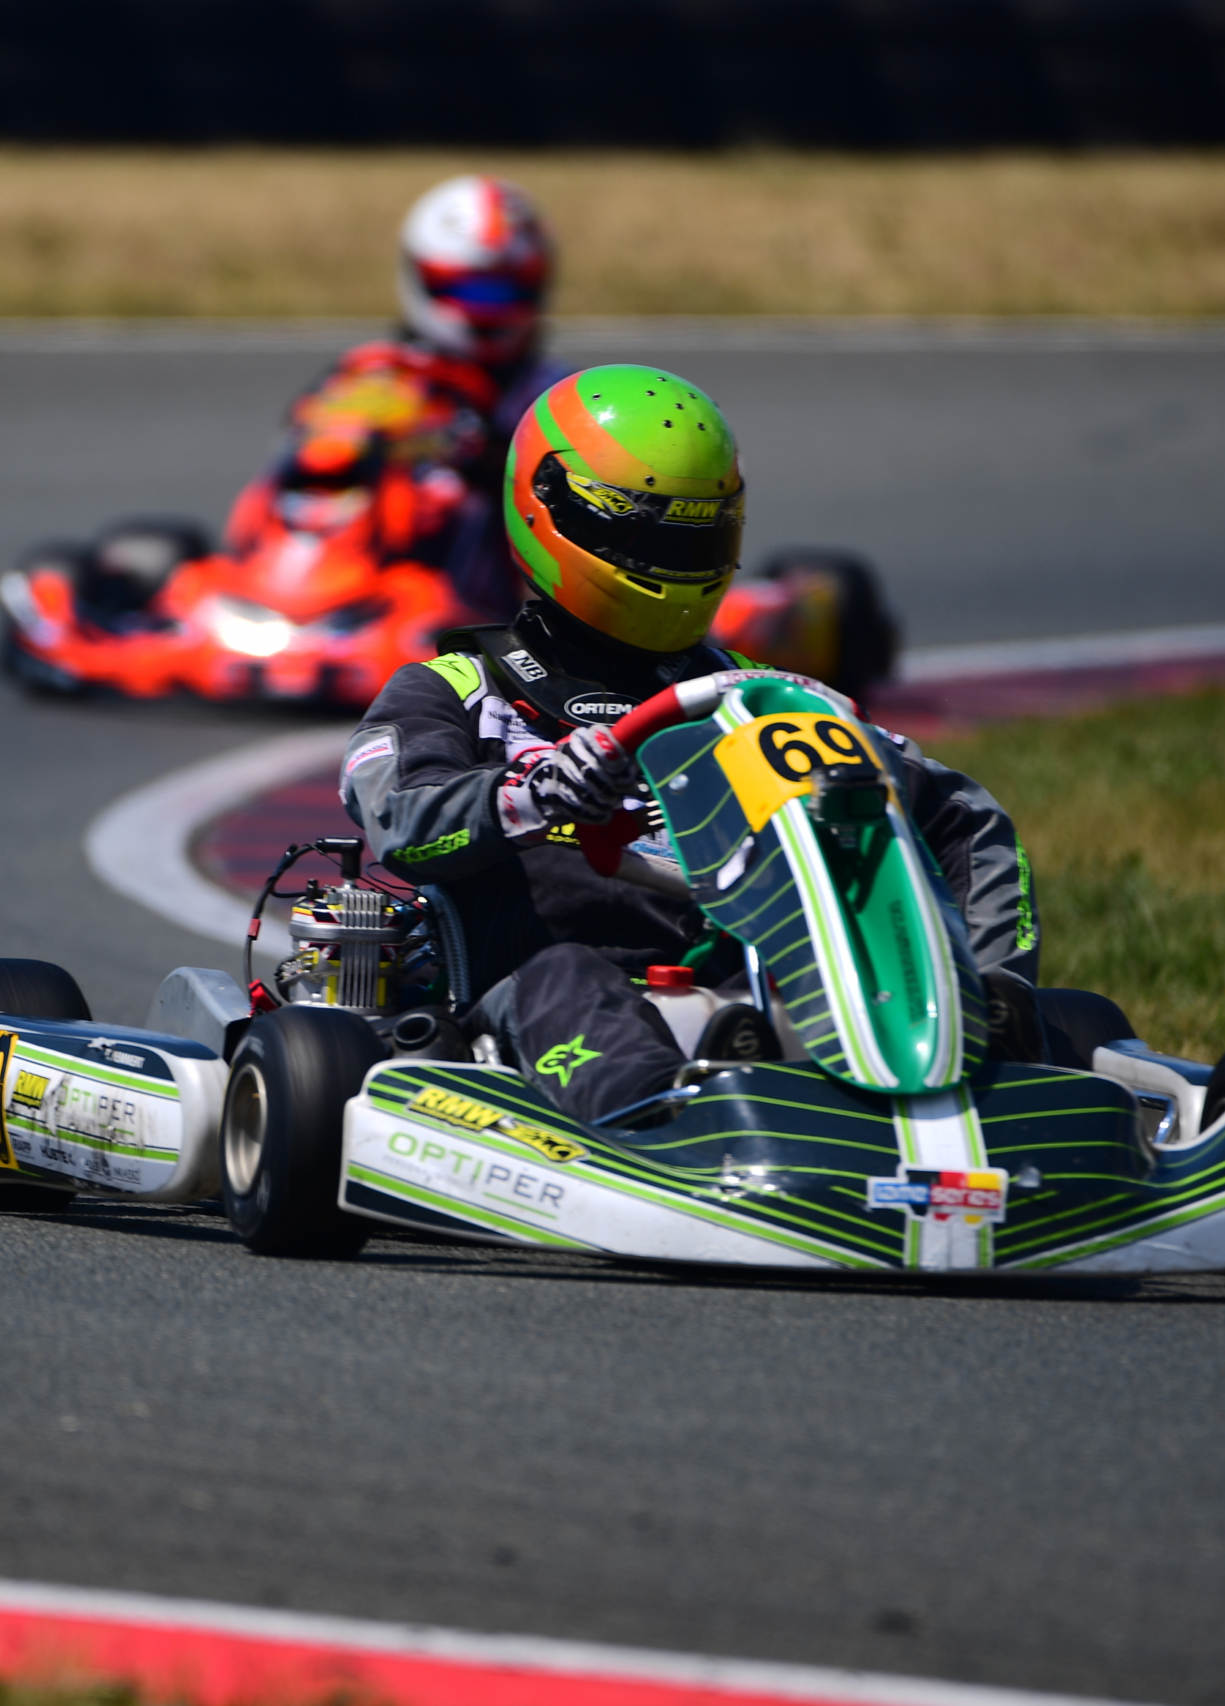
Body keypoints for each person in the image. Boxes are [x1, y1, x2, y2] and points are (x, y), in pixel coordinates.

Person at [338, 364, 1044, 1124]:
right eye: (642, 535)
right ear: (549, 510)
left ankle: (963, 1073)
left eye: (696, 536)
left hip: (748, 989)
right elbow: (399, 821)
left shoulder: (758, 699)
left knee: (958, 992)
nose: (671, 561)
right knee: (568, 980)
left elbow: (962, 819)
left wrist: (988, 980)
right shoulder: (456, 689)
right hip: (534, 1001)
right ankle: (667, 1122)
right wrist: (528, 795)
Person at [219, 173, 570, 621]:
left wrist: (484, 459)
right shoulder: (371, 371)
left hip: (469, 599)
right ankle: (272, 586)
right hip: (362, 566)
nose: (486, 309)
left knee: (449, 494)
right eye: (466, 290)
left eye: (505, 292)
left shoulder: (555, 397)